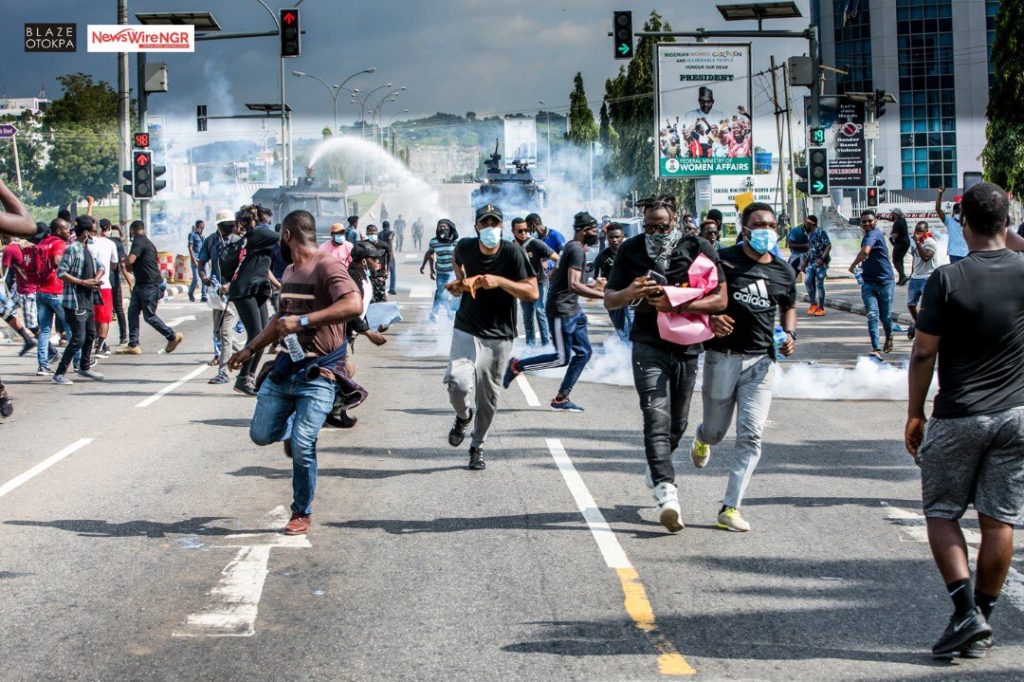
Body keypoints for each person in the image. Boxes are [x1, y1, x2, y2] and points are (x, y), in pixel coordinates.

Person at [905, 182, 1024, 659]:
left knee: (942, 511)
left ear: (963, 223)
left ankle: (965, 612)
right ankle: (980, 620)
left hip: (959, 415)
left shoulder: (947, 280)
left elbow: (922, 353)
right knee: (999, 521)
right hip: (1017, 416)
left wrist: (915, 413)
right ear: (1007, 220)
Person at [231, 209, 362, 536]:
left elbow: (353, 305)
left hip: (320, 373)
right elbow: (280, 320)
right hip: (286, 369)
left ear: (287, 235)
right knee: (260, 434)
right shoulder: (289, 271)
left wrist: (305, 322)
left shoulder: (327, 266)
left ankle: (301, 512)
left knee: (304, 443)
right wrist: (249, 349)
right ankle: (290, 429)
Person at [604, 194, 726, 532]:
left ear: (676, 221)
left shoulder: (697, 246)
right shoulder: (631, 249)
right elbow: (610, 298)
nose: (656, 232)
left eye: (663, 226)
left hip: (687, 345)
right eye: (650, 227)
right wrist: (631, 292)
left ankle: (657, 463)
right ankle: (666, 491)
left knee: (678, 423)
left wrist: (676, 304)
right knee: (655, 417)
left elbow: (721, 297)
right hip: (647, 343)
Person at [689, 202, 797, 533]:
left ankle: (730, 507)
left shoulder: (783, 270)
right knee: (717, 432)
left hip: (762, 362)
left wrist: (790, 333)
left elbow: (789, 306)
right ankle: (701, 436)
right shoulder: (723, 261)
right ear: (744, 229)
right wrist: (710, 317)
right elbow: (694, 297)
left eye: (771, 225)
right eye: (759, 224)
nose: (766, 230)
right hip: (723, 357)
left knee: (751, 434)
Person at [444, 204, 537, 470]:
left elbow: (532, 293)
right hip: (466, 327)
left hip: (499, 335)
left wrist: (500, 282)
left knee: (488, 398)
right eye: (484, 224)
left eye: (494, 224)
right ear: (476, 227)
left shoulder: (513, 252)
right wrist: (460, 284)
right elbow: (457, 262)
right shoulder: (465, 247)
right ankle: (463, 417)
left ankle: (478, 445)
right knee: (456, 383)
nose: (489, 228)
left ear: (501, 227)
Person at [504, 212, 604, 411]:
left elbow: (557, 273)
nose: (597, 234)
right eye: (594, 230)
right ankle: (517, 365)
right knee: (561, 358)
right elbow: (574, 284)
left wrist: (594, 285)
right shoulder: (575, 249)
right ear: (583, 230)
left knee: (584, 353)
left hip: (573, 309)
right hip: (561, 310)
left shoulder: (572, 248)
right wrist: (604, 296)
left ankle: (561, 398)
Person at [223, 205, 277, 395]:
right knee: (256, 334)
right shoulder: (258, 235)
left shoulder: (254, 238)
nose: (267, 219)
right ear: (254, 219)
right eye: (263, 216)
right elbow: (280, 236)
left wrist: (279, 285)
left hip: (258, 287)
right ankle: (243, 378)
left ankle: (248, 378)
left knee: (263, 334)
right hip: (245, 289)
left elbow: (263, 265)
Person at [118, 220, 183, 357]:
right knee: (132, 312)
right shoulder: (146, 242)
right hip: (141, 285)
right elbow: (132, 265)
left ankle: (172, 336)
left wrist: (124, 261)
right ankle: (133, 345)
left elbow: (129, 262)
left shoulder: (139, 241)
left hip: (149, 285)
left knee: (149, 316)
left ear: (132, 230)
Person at [52, 217, 104, 385]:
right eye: (94, 231)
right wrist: (83, 282)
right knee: (78, 339)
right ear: (87, 232)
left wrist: (95, 279)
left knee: (91, 335)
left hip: (87, 299)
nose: (95, 235)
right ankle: (59, 373)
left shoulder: (86, 248)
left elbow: (100, 266)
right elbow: (61, 273)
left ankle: (85, 367)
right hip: (75, 301)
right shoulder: (73, 248)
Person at [199, 210, 244, 385]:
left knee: (225, 332)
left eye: (230, 225)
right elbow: (201, 263)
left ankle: (223, 371)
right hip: (216, 293)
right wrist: (203, 277)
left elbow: (244, 267)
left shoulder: (239, 242)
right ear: (219, 226)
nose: (229, 229)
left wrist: (231, 285)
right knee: (218, 332)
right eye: (225, 226)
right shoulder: (211, 241)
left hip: (233, 293)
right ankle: (247, 350)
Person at [848, 209, 895, 360]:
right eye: (864, 221)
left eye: (870, 221)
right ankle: (876, 348)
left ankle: (889, 336)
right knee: (872, 315)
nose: (867, 223)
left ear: (875, 222)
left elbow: (865, 252)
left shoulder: (873, 234)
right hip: (868, 283)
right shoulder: (868, 235)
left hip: (885, 282)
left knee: (885, 316)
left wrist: (853, 265)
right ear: (861, 224)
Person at [510, 216, 558, 347]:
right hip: (524, 286)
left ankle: (546, 345)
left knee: (540, 311)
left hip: (539, 283)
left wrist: (553, 269)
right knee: (527, 315)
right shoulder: (511, 247)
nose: (524, 233)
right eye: (520, 231)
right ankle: (530, 347)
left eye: (525, 230)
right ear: (513, 232)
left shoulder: (536, 243)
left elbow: (556, 258)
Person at [33, 218, 71, 375]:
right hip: (56, 291)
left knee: (44, 330)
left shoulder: (40, 244)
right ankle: (78, 362)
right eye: (66, 229)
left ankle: (43, 365)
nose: (68, 231)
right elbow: (57, 261)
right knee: (70, 328)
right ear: (58, 230)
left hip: (40, 291)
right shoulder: (59, 243)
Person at [85, 216, 120, 358]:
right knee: (104, 318)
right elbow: (114, 264)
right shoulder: (110, 244)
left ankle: (96, 344)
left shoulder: (88, 243)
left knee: (93, 316)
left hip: (88, 284)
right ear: (108, 229)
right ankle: (99, 347)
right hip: (104, 284)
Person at [593, 222, 633, 341]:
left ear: (622, 237)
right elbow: (597, 278)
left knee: (633, 324)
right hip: (613, 296)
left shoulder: (631, 253)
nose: (614, 240)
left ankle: (632, 354)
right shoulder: (602, 257)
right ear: (607, 238)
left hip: (630, 294)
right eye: (611, 237)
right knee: (620, 328)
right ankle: (624, 350)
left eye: (617, 237)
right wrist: (599, 284)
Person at [905, 221, 938, 340]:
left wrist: (918, 242)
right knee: (911, 304)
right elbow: (915, 259)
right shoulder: (914, 242)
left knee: (926, 306)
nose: (917, 233)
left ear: (926, 232)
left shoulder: (930, 242)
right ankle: (919, 324)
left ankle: (924, 329)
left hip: (928, 277)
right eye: (916, 231)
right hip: (915, 277)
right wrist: (911, 273)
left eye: (920, 231)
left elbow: (925, 257)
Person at [421, 219, 459, 322]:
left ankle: (450, 311)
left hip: (453, 274)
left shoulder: (456, 242)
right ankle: (435, 314)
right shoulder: (434, 241)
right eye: (440, 227)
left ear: (449, 228)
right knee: (440, 293)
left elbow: (462, 257)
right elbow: (430, 254)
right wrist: (427, 267)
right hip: (441, 273)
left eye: (444, 226)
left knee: (451, 294)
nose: (442, 228)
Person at [101, 221, 129, 346]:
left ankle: (100, 339)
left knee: (100, 310)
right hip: (114, 281)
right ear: (108, 229)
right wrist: (129, 282)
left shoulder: (94, 242)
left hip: (100, 281)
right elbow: (122, 265)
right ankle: (123, 336)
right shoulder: (115, 242)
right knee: (118, 308)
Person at [802, 215, 831, 317]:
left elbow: (828, 245)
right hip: (811, 263)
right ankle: (813, 304)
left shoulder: (821, 232)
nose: (805, 224)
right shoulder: (810, 234)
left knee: (819, 284)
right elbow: (811, 250)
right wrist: (804, 262)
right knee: (808, 281)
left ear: (811, 223)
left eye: (806, 222)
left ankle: (821, 308)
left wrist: (822, 258)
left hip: (821, 263)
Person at [935, 187, 968, 264]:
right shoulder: (949, 221)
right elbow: (937, 209)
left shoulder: (968, 221)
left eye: (960, 212)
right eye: (957, 212)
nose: (958, 214)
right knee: (955, 275)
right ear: (953, 213)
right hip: (954, 254)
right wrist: (940, 194)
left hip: (967, 253)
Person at [364, 224, 390, 302]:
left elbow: (389, 255)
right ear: (367, 233)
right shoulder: (363, 245)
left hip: (380, 273)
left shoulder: (383, 245)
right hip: (367, 274)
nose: (372, 234)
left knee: (381, 295)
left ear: (377, 232)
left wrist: (387, 270)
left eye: (374, 232)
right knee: (369, 296)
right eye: (370, 232)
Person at [187, 220, 206, 302]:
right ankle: (190, 292)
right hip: (195, 259)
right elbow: (190, 247)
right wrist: (193, 259)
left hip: (203, 260)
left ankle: (204, 296)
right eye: (202, 225)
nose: (203, 227)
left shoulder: (203, 237)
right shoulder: (192, 235)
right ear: (199, 225)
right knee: (196, 279)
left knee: (205, 277)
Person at [380, 220, 398, 295]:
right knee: (392, 271)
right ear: (389, 226)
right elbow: (390, 238)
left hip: (381, 253)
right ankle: (392, 288)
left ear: (382, 226)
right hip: (389, 253)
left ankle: (382, 288)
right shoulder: (391, 232)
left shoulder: (379, 234)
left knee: (382, 271)